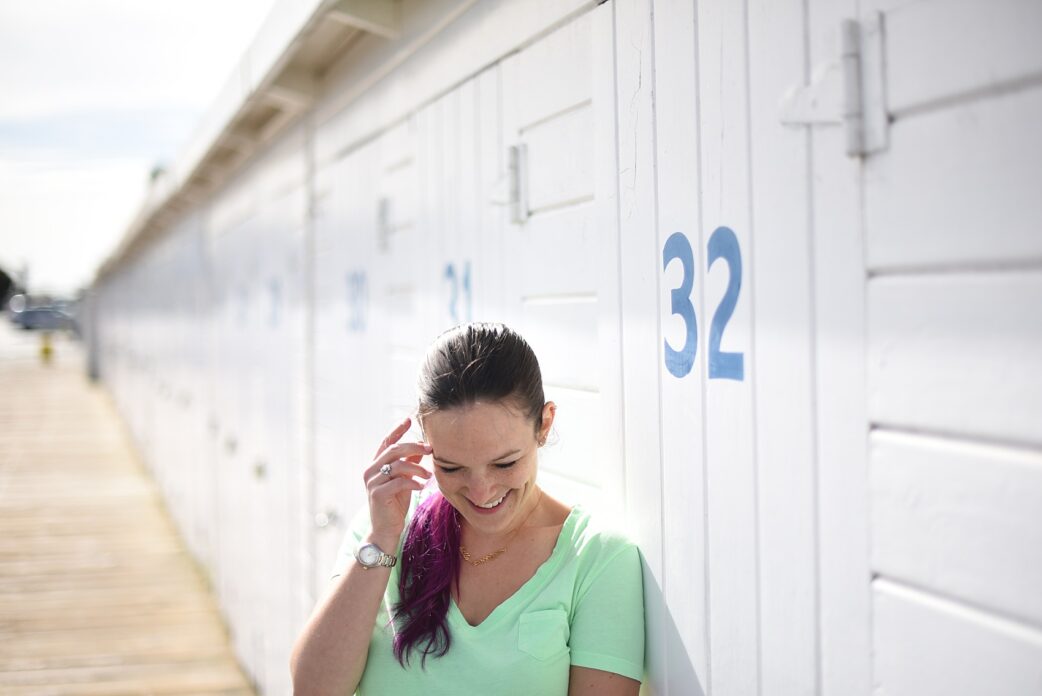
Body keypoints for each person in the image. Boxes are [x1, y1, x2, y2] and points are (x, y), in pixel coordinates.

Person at [290, 322, 645, 695]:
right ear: (425, 444)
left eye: (504, 463)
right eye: (451, 467)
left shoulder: (597, 558)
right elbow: (313, 688)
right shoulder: (385, 534)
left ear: (545, 424)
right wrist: (381, 540)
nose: (480, 490)